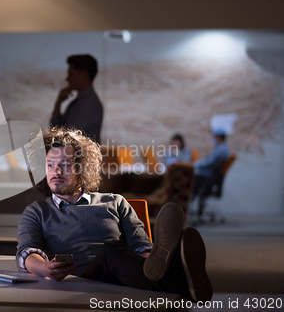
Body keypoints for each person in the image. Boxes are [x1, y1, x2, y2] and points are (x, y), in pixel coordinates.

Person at [17, 127, 213, 302]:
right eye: (50, 165)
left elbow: (140, 246)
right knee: (110, 252)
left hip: (124, 278)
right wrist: (46, 269)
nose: (56, 171)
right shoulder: (37, 211)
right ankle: (180, 277)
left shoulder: (114, 201)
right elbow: (27, 252)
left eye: (65, 165)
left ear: (82, 168)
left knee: (117, 252)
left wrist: (151, 261)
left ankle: (169, 269)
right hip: (79, 280)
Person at [50, 54, 103, 144]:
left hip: (81, 157)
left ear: (83, 75)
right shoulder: (79, 102)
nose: (67, 79)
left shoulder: (89, 104)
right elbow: (56, 131)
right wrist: (58, 103)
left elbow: (65, 139)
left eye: (70, 74)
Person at [192, 128, 230, 217]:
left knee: (192, 179)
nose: (213, 138)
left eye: (214, 136)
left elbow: (208, 163)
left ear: (219, 137)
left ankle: (189, 199)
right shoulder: (220, 149)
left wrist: (195, 164)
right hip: (209, 176)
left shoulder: (222, 150)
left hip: (208, 178)